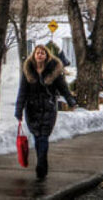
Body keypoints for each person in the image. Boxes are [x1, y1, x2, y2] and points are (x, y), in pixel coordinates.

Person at [15, 45, 76, 180]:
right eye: (38, 53)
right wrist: (18, 110)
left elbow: (63, 88)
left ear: (47, 55)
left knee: (43, 137)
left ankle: (41, 165)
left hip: (48, 108)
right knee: (37, 137)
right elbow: (22, 92)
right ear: (34, 55)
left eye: (42, 53)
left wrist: (71, 101)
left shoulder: (54, 70)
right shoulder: (28, 70)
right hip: (32, 109)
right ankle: (42, 162)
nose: (40, 55)